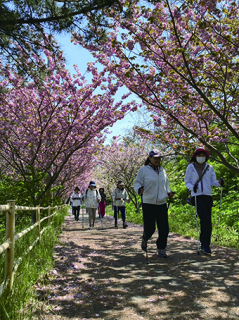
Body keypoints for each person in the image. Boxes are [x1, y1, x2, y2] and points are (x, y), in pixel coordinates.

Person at [134, 150, 174, 258]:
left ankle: (161, 248)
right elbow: (137, 182)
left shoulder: (162, 170)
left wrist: (169, 192)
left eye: (159, 158)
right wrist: (139, 189)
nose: (157, 160)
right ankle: (145, 238)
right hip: (148, 202)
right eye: (155, 158)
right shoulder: (144, 170)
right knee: (150, 228)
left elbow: (166, 184)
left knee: (164, 228)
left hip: (161, 202)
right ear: (150, 158)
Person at [184, 148, 224, 255]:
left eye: (203, 155)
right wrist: (193, 187)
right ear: (195, 156)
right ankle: (204, 244)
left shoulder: (209, 167)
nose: (201, 156)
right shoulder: (190, 167)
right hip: (197, 196)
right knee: (204, 219)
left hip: (207, 196)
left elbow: (212, 181)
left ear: (206, 157)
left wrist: (219, 183)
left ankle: (205, 244)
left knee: (207, 221)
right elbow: (186, 181)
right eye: (199, 155)